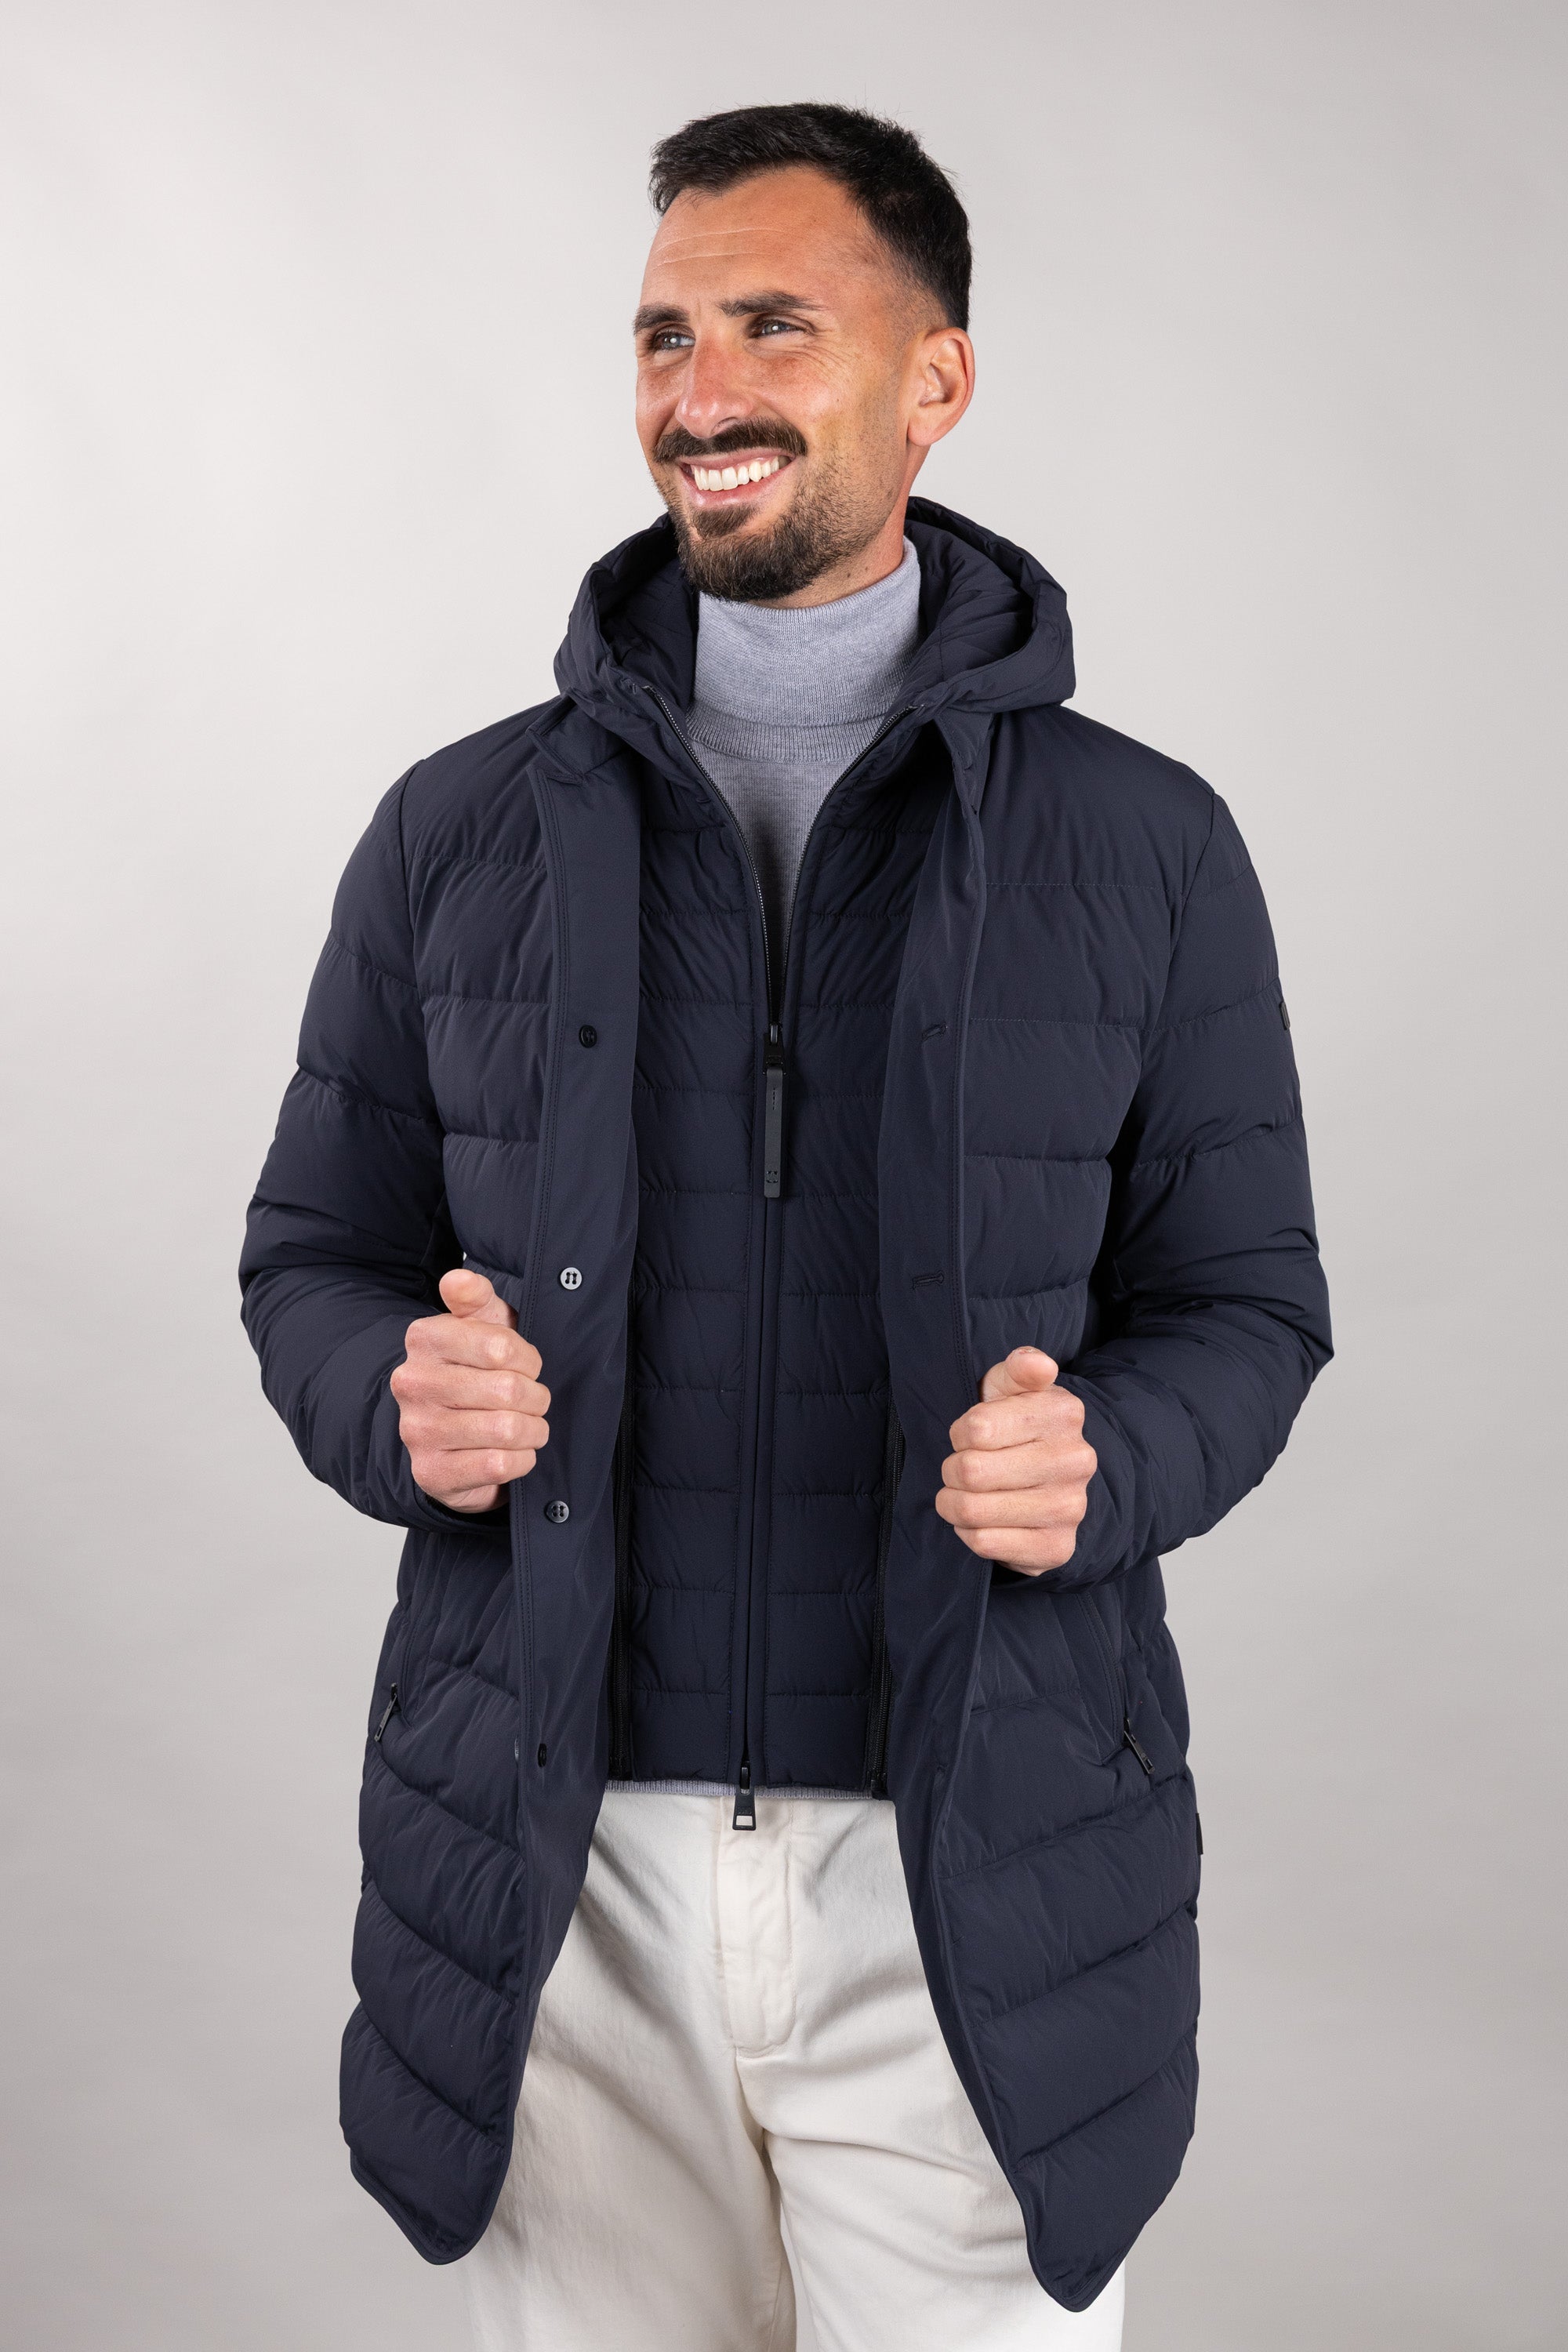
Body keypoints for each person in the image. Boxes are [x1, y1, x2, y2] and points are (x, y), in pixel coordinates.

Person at [240, 101, 1330, 2352]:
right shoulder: (455, 830)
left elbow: (1247, 1305)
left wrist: (1111, 1460)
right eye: (662, 336)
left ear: (937, 379)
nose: (700, 390)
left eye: (771, 327)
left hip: (974, 1873)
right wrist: (388, 1397)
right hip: (554, 1874)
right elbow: (312, 1254)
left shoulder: (1148, 847)